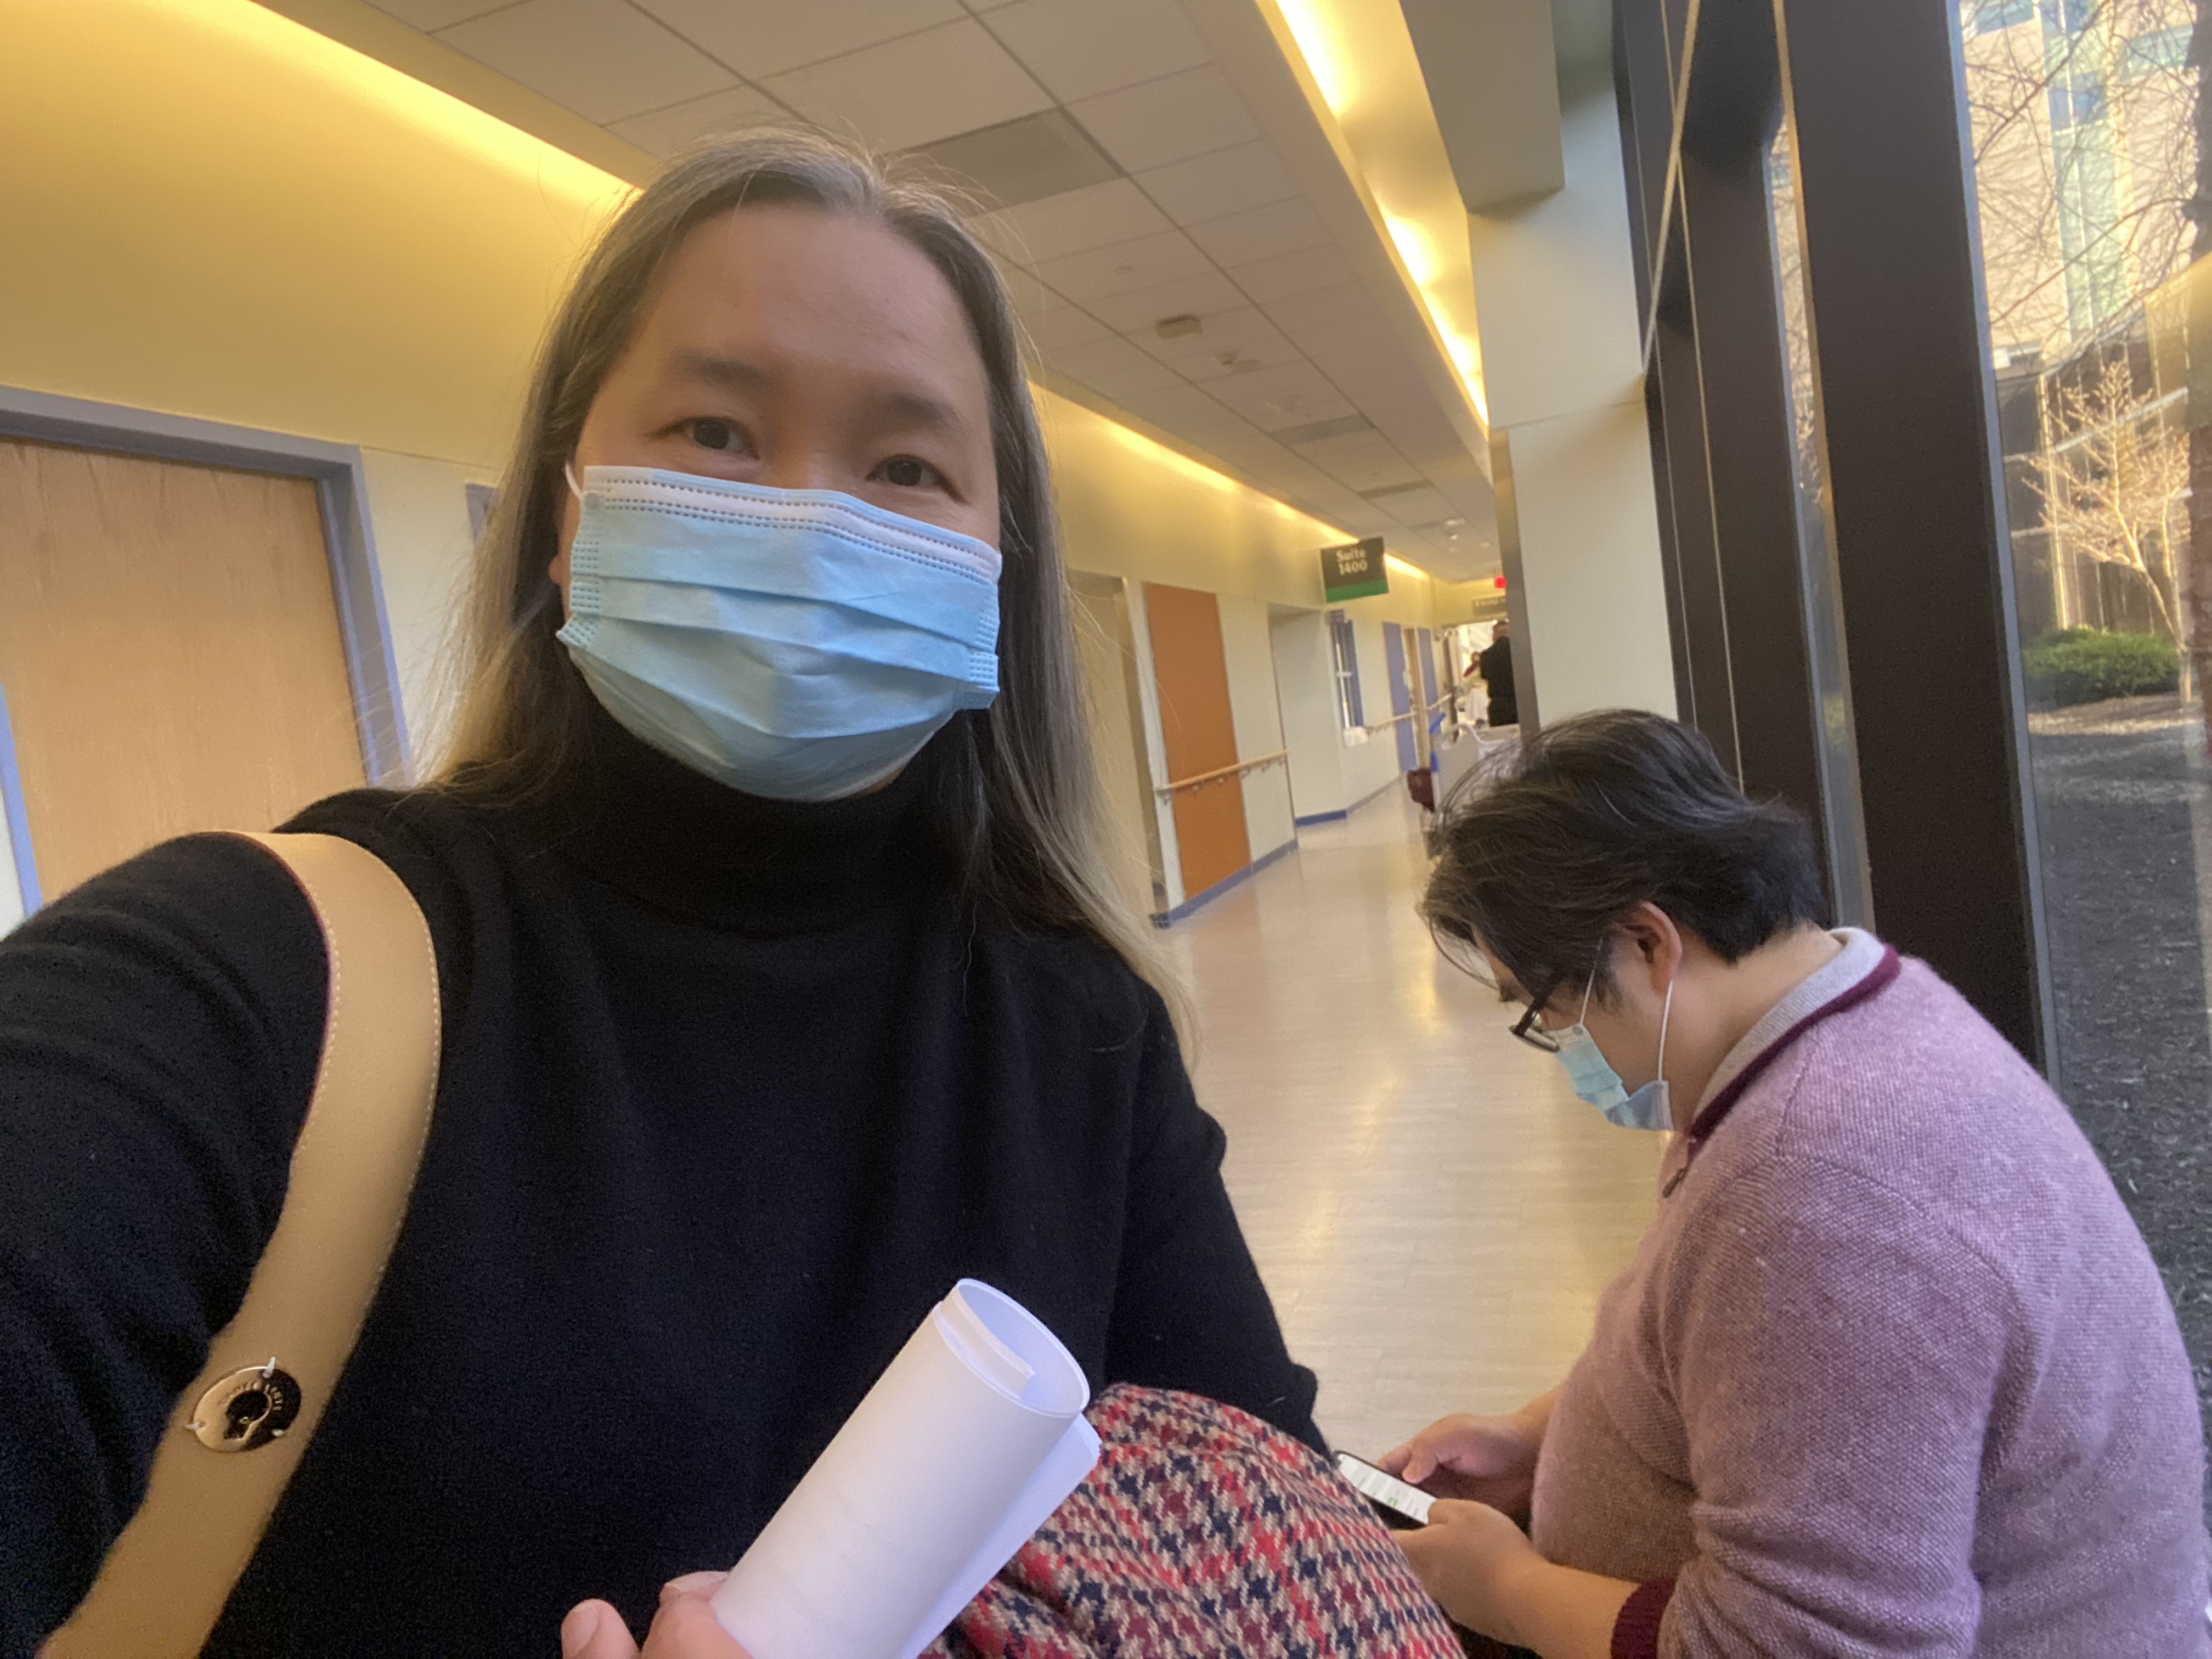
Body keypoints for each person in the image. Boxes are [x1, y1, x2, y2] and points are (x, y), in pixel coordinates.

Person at [0, 133, 1319, 1656]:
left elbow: (1272, 1563)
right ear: (566, 516)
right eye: (716, 431)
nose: (814, 517)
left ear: (996, 567)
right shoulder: (265, 976)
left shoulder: (1082, 1032)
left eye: (907, 467)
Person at [1384, 710, 2210, 1658]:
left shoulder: (1818, 1191)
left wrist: (1505, 1588)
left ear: (1648, 943)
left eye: (1552, 1010)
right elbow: (1763, 1377)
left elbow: (1809, 1645)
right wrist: (1542, 1434)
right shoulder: (1847, 1022)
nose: (1567, 1048)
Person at [1475, 620, 1515, 728]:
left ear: (1494, 636)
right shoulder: (1518, 652)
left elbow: (1484, 675)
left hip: (1498, 706)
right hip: (1519, 703)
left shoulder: (1486, 655)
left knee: (1499, 736)